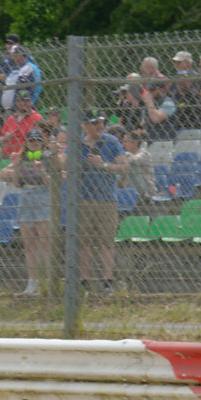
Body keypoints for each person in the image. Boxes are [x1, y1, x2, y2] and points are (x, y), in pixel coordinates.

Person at [70, 115, 127, 293]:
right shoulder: (77, 143)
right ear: (85, 125)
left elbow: (124, 167)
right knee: (83, 241)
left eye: (101, 123)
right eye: (94, 123)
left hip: (107, 199)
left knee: (107, 241)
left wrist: (104, 165)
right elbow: (63, 163)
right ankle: (83, 280)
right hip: (83, 199)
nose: (99, 126)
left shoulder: (112, 141)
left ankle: (107, 280)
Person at [2, 126, 56, 295]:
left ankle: (48, 281)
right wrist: (16, 166)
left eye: (37, 141)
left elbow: (51, 184)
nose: (34, 144)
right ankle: (32, 282)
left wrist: (42, 171)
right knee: (29, 244)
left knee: (45, 243)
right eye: (31, 141)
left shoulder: (47, 158)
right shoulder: (23, 158)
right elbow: (17, 183)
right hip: (26, 196)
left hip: (42, 196)